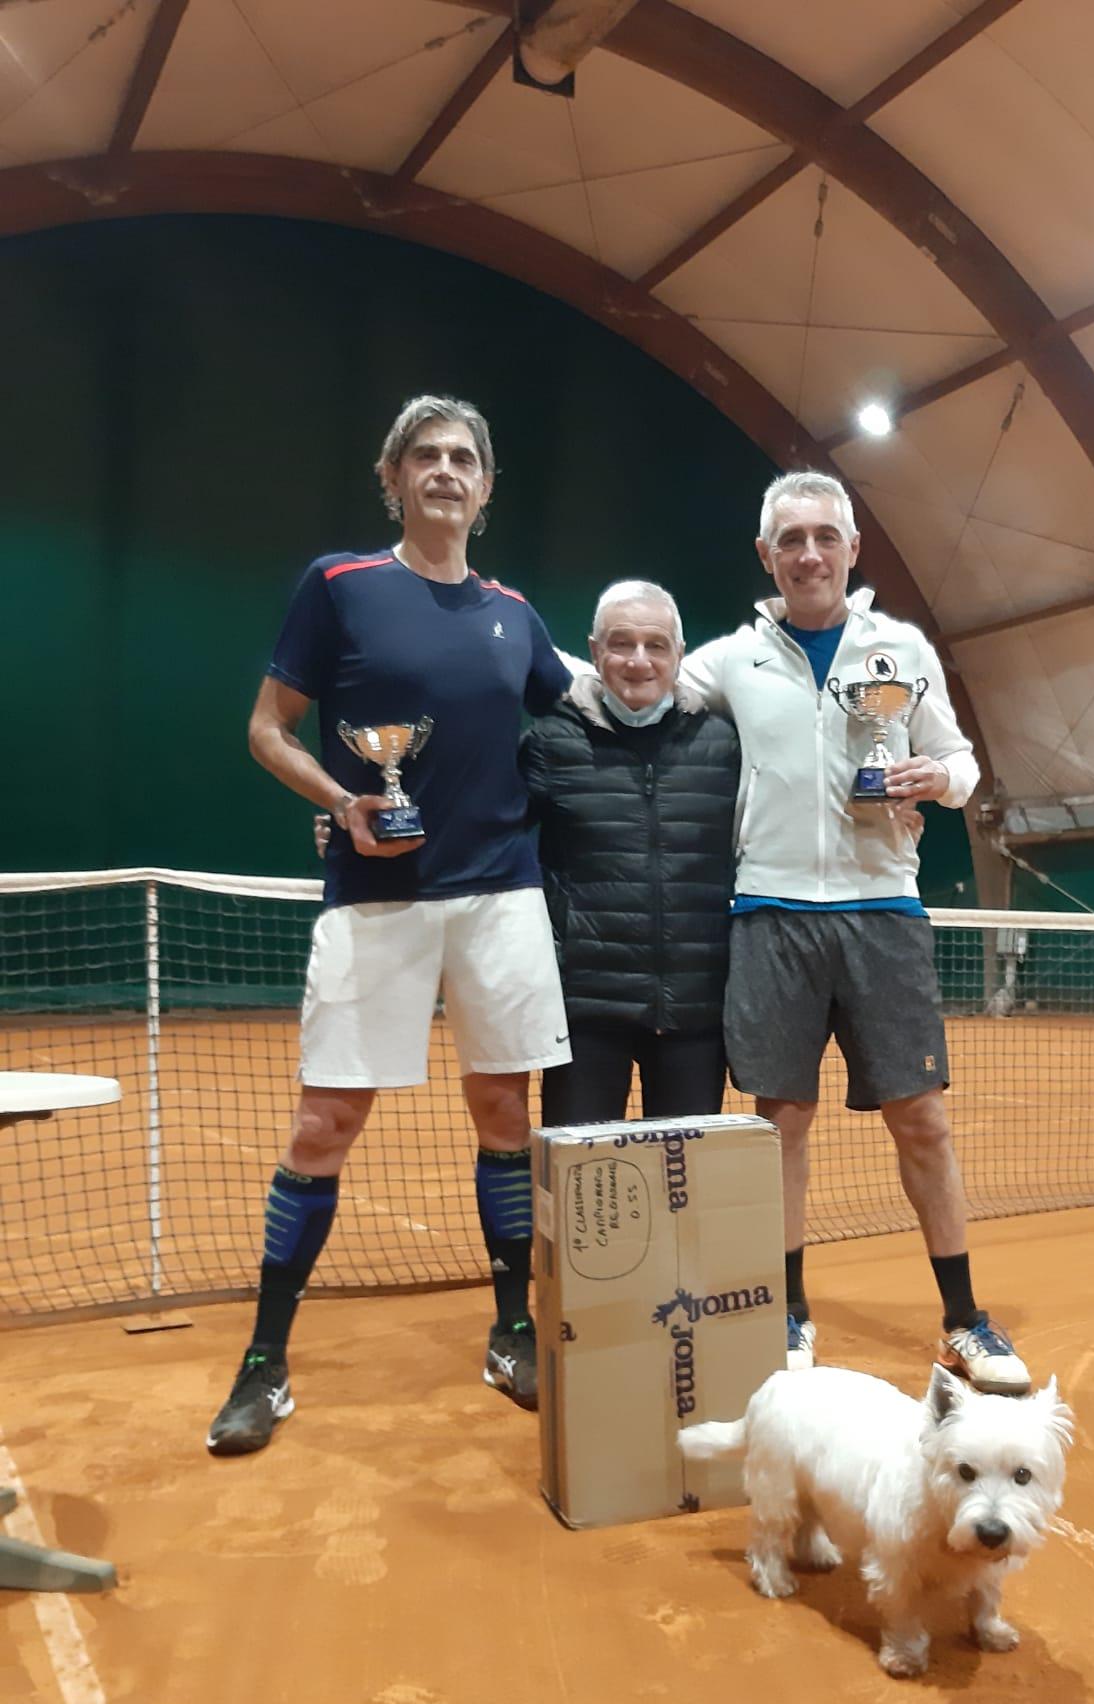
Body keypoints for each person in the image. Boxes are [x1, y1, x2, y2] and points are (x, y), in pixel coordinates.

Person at [206, 394, 571, 1453]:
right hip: (376, 900)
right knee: (325, 1125)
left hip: (502, 893)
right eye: (427, 456)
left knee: (505, 1114)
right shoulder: (340, 585)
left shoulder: (515, 613)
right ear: (394, 477)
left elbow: (582, 708)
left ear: (487, 488)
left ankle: (512, 1329)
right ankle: (266, 1361)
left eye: (465, 457)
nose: (447, 470)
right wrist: (340, 803)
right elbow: (267, 728)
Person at [681, 470, 1032, 1394]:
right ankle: (789, 1312)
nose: (808, 553)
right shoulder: (729, 661)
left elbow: (963, 763)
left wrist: (933, 780)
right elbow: (630, 685)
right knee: (780, 1124)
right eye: (790, 539)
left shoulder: (901, 646)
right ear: (767, 555)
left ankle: (963, 1319)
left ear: (851, 547)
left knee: (923, 1121)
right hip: (770, 915)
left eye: (824, 537)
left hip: (884, 912)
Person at [527, 581, 740, 1126]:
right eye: (621, 644)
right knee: (581, 1194)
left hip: (696, 1014)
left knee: (685, 1194)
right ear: (595, 652)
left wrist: (892, 815)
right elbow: (484, 828)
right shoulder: (551, 742)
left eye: (656, 645)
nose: (639, 661)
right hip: (586, 1015)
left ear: (679, 656)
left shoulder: (725, 745)